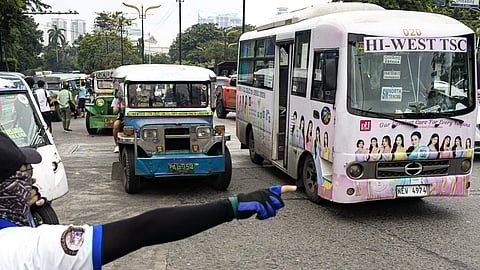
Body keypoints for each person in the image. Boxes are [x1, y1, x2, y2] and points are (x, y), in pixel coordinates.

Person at [0, 132, 296, 269]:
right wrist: (232, 206)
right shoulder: (25, 248)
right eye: (22, 173)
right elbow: (145, 228)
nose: (32, 180)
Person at [112, 85, 126, 153]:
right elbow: (114, 111)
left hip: (134, 115)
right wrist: (118, 106)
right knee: (116, 125)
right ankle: (117, 145)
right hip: (122, 117)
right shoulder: (118, 99)